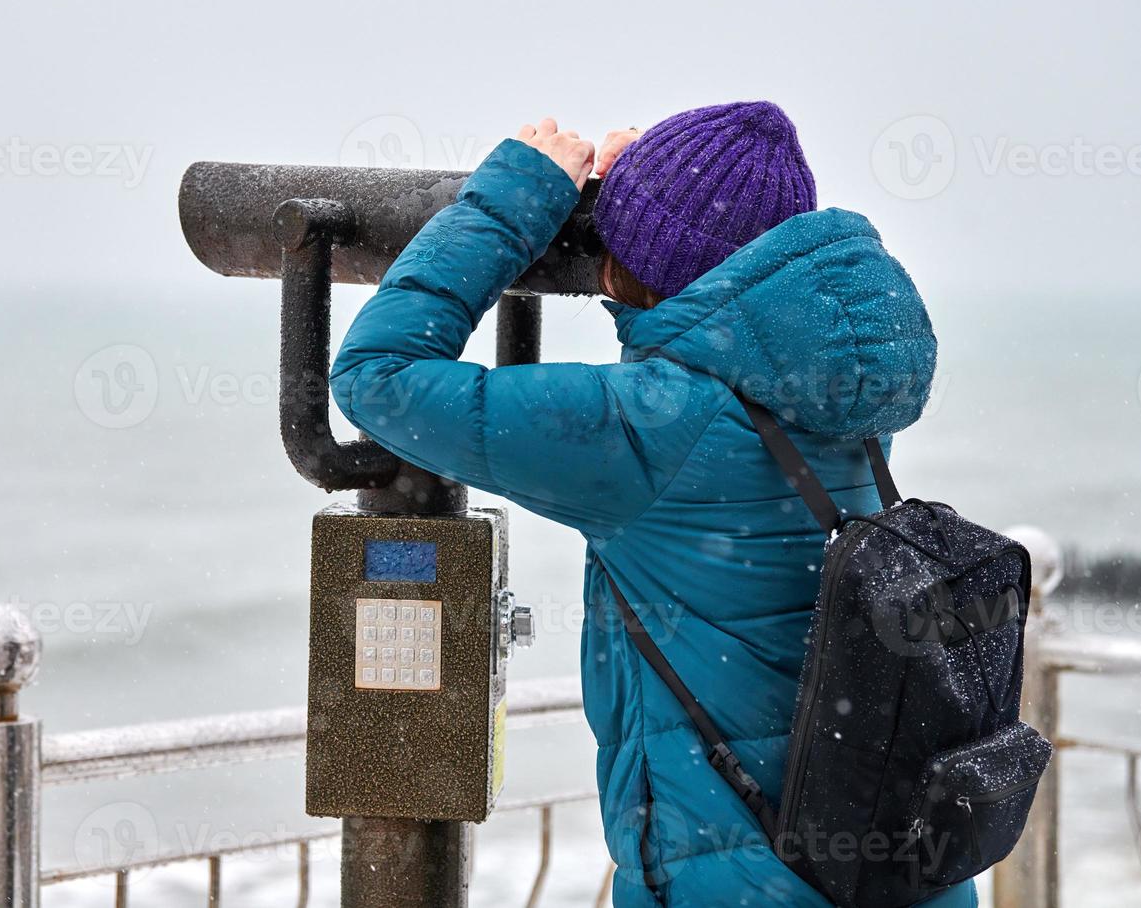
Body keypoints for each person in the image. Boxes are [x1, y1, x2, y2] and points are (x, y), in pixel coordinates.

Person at [329, 104, 970, 907]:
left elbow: (375, 377)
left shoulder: (650, 429)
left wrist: (511, 202)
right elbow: (720, 338)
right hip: (903, 873)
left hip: (735, 887)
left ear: (623, 270)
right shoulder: (836, 388)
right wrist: (659, 206)